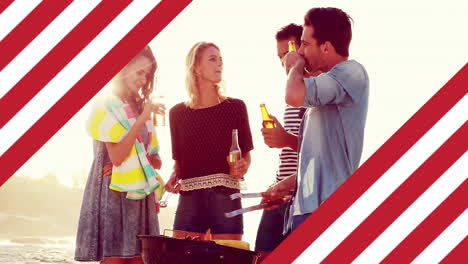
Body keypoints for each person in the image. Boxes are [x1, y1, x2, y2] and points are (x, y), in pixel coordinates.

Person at [263, 7, 369, 233]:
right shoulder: (324, 94)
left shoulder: (351, 72)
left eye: (305, 44)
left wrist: (295, 66)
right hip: (305, 208)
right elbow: (320, 157)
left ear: (326, 47)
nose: (300, 51)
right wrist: (286, 185)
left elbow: (293, 96)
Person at [75, 46, 165, 264]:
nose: (144, 79)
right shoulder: (105, 104)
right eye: (140, 72)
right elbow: (116, 157)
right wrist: (142, 119)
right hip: (114, 195)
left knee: (140, 260)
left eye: (148, 74)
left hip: (140, 196)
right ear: (123, 68)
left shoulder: (142, 107)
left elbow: (156, 160)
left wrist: (138, 158)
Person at [165, 41, 254, 241]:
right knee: (181, 259)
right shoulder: (177, 113)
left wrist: (242, 165)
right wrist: (173, 176)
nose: (219, 64)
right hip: (189, 199)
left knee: (228, 259)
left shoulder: (236, 107)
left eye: (221, 59)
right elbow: (178, 163)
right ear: (196, 67)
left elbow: (246, 155)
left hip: (226, 197)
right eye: (212, 59)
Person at [255, 23, 308, 255]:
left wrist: (285, 138)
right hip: (279, 193)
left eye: (285, 54)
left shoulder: (315, 93)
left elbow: (320, 150)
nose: (282, 62)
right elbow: (291, 151)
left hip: (300, 196)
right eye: (279, 57)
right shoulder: (291, 95)